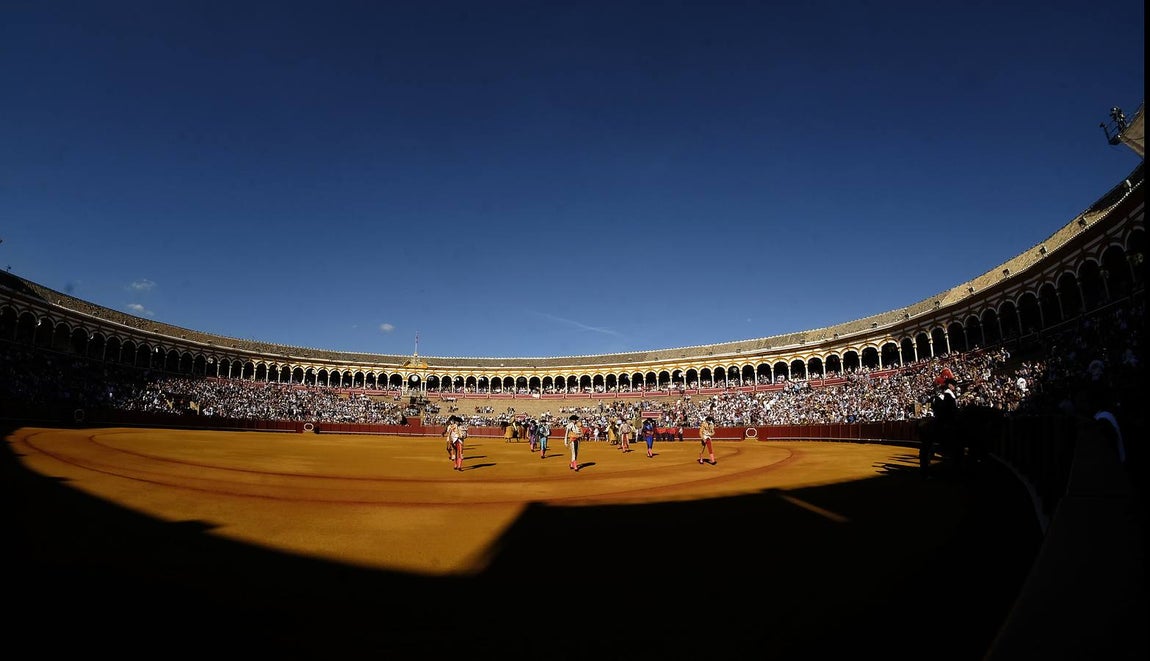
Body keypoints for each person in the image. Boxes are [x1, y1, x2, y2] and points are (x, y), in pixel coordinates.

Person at [921, 376, 959, 478]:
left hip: (941, 418)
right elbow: (949, 410)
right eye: (953, 385)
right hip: (944, 419)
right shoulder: (946, 395)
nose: (954, 386)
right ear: (949, 385)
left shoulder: (943, 396)